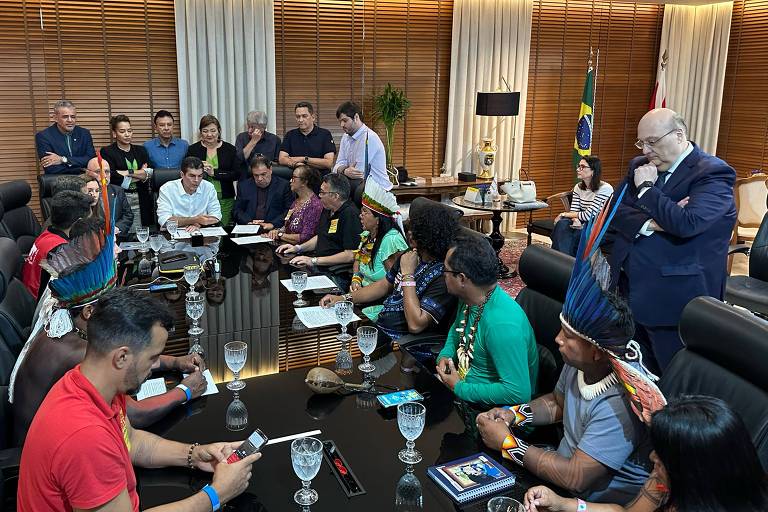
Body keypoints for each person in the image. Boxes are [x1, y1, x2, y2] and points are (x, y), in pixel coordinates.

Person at [477, 194, 659, 505]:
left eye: (569, 336)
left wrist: (507, 443)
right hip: (555, 478)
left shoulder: (619, 403)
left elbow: (576, 476)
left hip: (588, 500)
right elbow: (557, 404)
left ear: (599, 351)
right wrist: (513, 415)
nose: (558, 339)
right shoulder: (581, 364)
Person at [17, 288, 259, 511]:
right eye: (152, 357)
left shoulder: (90, 382)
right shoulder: (85, 436)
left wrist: (195, 454)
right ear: (122, 357)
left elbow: (132, 440)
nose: (156, 365)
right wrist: (218, 494)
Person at [10, 218, 207, 446]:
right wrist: (186, 391)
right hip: (40, 454)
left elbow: (124, 358)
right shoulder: (76, 352)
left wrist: (174, 362)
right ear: (87, 312)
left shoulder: (64, 324)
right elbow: (135, 416)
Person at [607, 108, 737, 372]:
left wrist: (647, 190)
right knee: (637, 376)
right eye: (641, 142)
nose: (645, 150)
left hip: (675, 301)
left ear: (679, 135)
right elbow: (614, 209)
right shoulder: (640, 166)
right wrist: (653, 222)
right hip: (629, 290)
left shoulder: (712, 174)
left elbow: (686, 224)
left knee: (673, 379)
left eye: (652, 142)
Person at [523, 395, 768, 512]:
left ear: (693, 472)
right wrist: (563, 504)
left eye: (662, 456)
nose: (653, 459)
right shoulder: (664, 482)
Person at [319, 199, 458, 346]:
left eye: (415, 230)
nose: (409, 233)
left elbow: (416, 325)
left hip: (401, 345)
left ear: (429, 235)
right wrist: (342, 298)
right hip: (380, 328)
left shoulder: (443, 276)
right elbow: (384, 285)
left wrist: (408, 276)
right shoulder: (411, 254)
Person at [436, 235, 539, 426]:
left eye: (446, 270)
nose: (443, 274)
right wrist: (446, 354)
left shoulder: (502, 324)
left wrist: (460, 388)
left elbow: (518, 392)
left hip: (494, 418)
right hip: (464, 399)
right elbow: (457, 329)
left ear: (461, 279)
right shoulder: (470, 297)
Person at [277, 174, 362, 289]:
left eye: (322, 192)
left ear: (335, 196)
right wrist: (298, 248)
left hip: (336, 274)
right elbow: (321, 236)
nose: (319, 196)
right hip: (320, 267)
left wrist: (314, 261)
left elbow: (350, 255)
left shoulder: (350, 214)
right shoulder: (328, 209)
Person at [345, 179, 407, 320]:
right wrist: (356, 279)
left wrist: (357, 296)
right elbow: (358, 260)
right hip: (361, 298)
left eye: (365, 212)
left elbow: (395, 284)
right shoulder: (368, 235)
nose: (360, 216)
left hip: (381, 304)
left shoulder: (391, 240)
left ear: (378, 219)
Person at [21, 190, 92, 299]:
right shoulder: (60, 251)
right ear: (79, 222)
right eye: (89, 220)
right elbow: (76, 289)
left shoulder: (48, 234)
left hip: (27, 297)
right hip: (40, 305)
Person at [551, 156, 613, 256]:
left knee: (575, 234)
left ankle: (565, 264)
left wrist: (563, 214)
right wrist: (576, 220)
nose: (578, 169)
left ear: (593, 171)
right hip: (582, 220)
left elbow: (588, 215)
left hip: (598, 224)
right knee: (562, 225)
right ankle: (563, 264)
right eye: (578, 166)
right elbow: (574, 210)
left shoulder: (605, 189)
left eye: (582, 167)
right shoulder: (578, 187)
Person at [99, 115, 153, 230]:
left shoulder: (141, 150)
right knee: (124, 231)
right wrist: (139, 174)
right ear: (114, 134)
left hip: (141, 196)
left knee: (142, 231)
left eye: (129, 130)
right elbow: (113, 176)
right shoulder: (107, 151)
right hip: (121, 197)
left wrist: (126, 172)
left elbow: (149, 173)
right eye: (122, 131)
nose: (127, 134)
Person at [186, 114, 242, 226]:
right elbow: (187, 172)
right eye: (205, 131)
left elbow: (236, 174)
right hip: (199, 198)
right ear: (200, 132)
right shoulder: (193, 149)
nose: (209, 134)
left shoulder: (229, 149)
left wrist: (214, 172)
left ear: (219, 131)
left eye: (213, 130)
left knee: (220, 230)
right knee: (200, 229)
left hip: (225, 198)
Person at [332, 100, 390, 192]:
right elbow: (336, 167)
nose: (341, 125)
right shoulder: (345, 137)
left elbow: (357, 172)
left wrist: (343, 169)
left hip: (378, 193)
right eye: (340, 121)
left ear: (356, 117)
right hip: (359, 188)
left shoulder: (369, 137)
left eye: (345, 120)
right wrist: (345, 170)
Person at [157, 156, 222, 230]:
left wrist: (198, 224)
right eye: (192, 176)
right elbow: (165, 221)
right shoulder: (167, 189)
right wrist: (195, 220)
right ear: (182, 175)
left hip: (201, 231)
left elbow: (216, 216)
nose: (196, 180)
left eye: (200, 176)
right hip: (173, 233)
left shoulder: (208, 187)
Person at [232, 154, 293, 230]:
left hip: (273, 229)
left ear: (270, 169)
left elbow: (289, 210)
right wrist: (248, 222)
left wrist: (273, 224)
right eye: (256, 175)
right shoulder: (244, 186)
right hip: (250, 229)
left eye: (263, 174)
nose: (259, 178)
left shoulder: (284, 185)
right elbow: (237, 210)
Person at [267, 165, 324, 245]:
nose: (290, 180)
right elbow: (287, 226)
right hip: (287, 245)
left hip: (303, 251)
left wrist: (280, 235)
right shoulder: (296, 201)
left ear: (304, 182)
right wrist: (277, 231)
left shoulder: (314, 205)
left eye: (294, 178)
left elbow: (305, 237)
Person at [36, 99, 96, 174]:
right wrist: (81, 168)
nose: (70, 120)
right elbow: (51, 168)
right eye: (65, 117)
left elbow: (91, 160)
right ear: (55, 118)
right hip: (59, 180)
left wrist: (63, 160)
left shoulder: (84, 133)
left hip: (86, 179)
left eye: (73, 117)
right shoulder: (44, 136)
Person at [279, 101, 336, 174]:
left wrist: (304, 159)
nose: (300, 120)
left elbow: (328, 163)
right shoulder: (290, 135)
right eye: (298, 116)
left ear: (313, 117)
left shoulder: (325, 134)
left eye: (304, 116)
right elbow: (282, 159)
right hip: (297, 178)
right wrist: (296, 164)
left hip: (320, 179)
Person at [80, 164, 133, 239]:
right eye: (98, 172)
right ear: (88, 173)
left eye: (107, 171)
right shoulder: (79, 208)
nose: (104, 175)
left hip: (117, 238)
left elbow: (128, 215)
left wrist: (116, 228)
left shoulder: (117, 191)